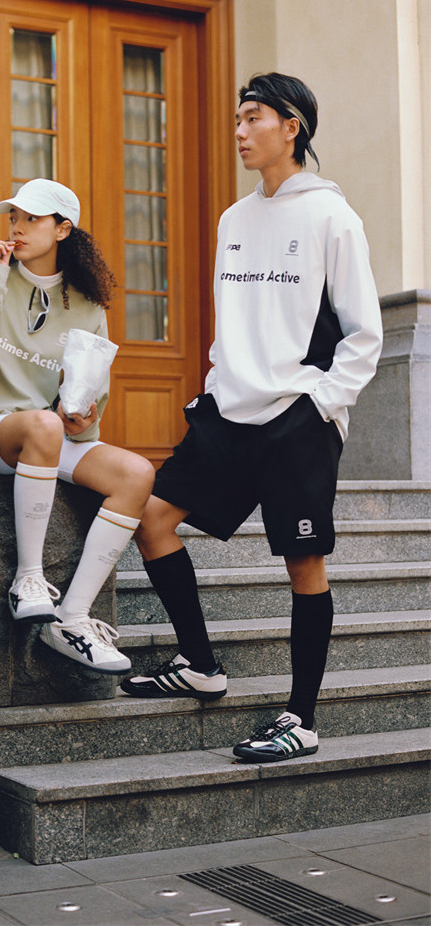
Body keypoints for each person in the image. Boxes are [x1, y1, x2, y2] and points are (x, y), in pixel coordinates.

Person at [123, 73, 383, 763]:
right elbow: (233, 321)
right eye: (237, 119)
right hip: (228, 410)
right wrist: (213, 387)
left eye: (253, 118)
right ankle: (201, 664)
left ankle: (301, 718)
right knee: (153, 518)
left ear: (291, 127)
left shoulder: (333, 217)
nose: (239, 131)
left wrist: (321, 406)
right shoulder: (233, 220)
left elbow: (365, 334)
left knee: (304, 562)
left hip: (298, 417)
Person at [0, 178, 155, 675]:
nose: (17, 228)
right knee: (41, 426)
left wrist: (83, 415)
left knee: (137, 474)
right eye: (13, 217)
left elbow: (89, 397)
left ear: (63, 229)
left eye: (31, 219)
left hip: (46, 434)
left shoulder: (86, 303)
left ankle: (73, 618)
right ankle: (29, 579)